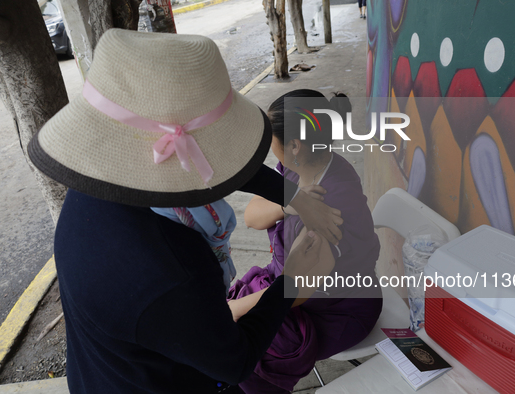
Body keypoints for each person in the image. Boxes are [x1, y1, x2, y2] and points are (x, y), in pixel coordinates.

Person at [27, 29, 341, 393]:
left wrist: (296, 198)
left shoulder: (101, 184)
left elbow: (225, 162)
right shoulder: (170, 271)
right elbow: (235, 360)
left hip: (103, 370)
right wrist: (293, 280)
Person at [227, 90, 383, 393]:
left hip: (334, 308)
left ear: (295, 145)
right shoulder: (300, 168)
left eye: (274, 142)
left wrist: (234, 309)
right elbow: (252, 216)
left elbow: (297, 290)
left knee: (245, 344)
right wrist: (289, 203)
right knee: (230, 334)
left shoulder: (333, 202)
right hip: (287, 289)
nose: (273, 152)